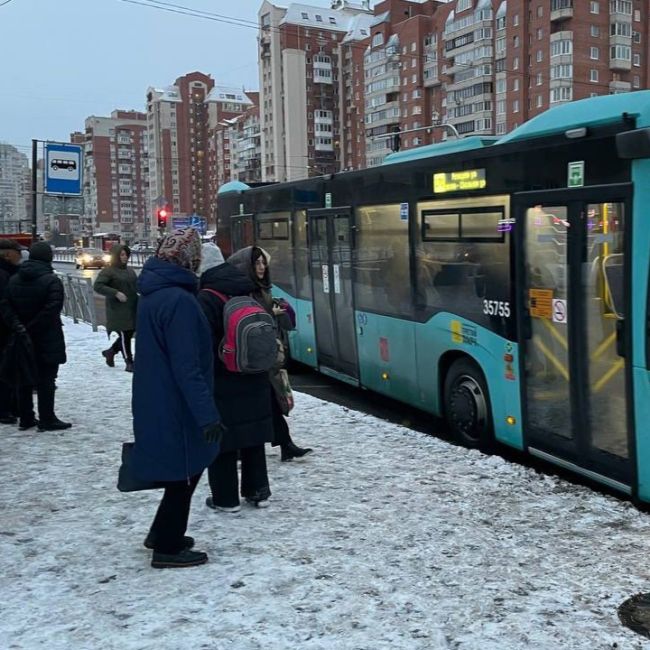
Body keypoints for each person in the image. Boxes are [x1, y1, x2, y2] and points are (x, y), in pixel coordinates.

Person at [132, 228, 225, 569]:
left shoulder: (154, 294)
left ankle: (161, 533)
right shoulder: (180, 302)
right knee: (186, 472)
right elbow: (188, 367)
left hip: (156, 396)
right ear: (190, 259)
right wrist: (207, 416)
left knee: (180, 471)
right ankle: (168, 546)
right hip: (177, 403)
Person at [197, 243, 274, 512]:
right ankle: (259, 491)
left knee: (225, 439)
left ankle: (226, 499)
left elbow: (203, 343)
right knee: (253, 434)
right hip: (255, 372)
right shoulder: (246, 285)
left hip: (224, 375)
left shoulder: (205, 296)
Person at [228, 246, 313, 462]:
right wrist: (269, 312)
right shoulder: (247, 289)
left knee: (271, 400)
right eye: (256, 263)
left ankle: (285, 444)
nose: (261, 267)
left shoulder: (260, 287)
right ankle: (262, 446)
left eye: (263, 263)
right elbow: (247, 319)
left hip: (266, 354)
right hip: (254, 357)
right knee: (262, 402)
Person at [6, 242, 71, 431]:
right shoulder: (51, 280)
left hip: (21, 337)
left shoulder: (15, 279)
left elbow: (6, 306)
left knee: (24, 377)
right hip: (46, 336)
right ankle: (47, 418)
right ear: (48, 258)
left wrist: (20, 327)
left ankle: (26, 418)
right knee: (46, 379)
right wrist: (33, 327)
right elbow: (52, 309)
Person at [93, 244, 138, 372]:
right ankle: (129, 361)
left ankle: (111, 352)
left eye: (126, 255)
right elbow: (98, 286)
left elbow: (136, 285)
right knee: (124, 334)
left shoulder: (130, 270)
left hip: (131, 307)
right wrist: (116, 293)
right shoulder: (108, 271)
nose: (125, 257)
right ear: (116, 256)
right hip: (117, 309)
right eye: (122, 255)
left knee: (128, 334)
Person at [0, 239, 24, 424]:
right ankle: (4, 409)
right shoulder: (3, 275)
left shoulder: (8, 272)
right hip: (4, 328)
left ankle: (11, 406)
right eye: (18, 251)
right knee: (5, 370)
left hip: (7, 327)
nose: (21, 255)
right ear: (7, 254)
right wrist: (15, 324)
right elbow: (5, 303)